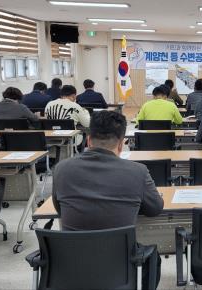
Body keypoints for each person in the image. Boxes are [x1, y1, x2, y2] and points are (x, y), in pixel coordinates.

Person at [52, 110, 164, 288]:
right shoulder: (138, 171)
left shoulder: (61, 169)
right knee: (153, 257)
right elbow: (155, 209)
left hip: (71, 263)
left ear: (88, 140)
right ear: (121, 144)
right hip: (120, 263)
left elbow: (60, 210)